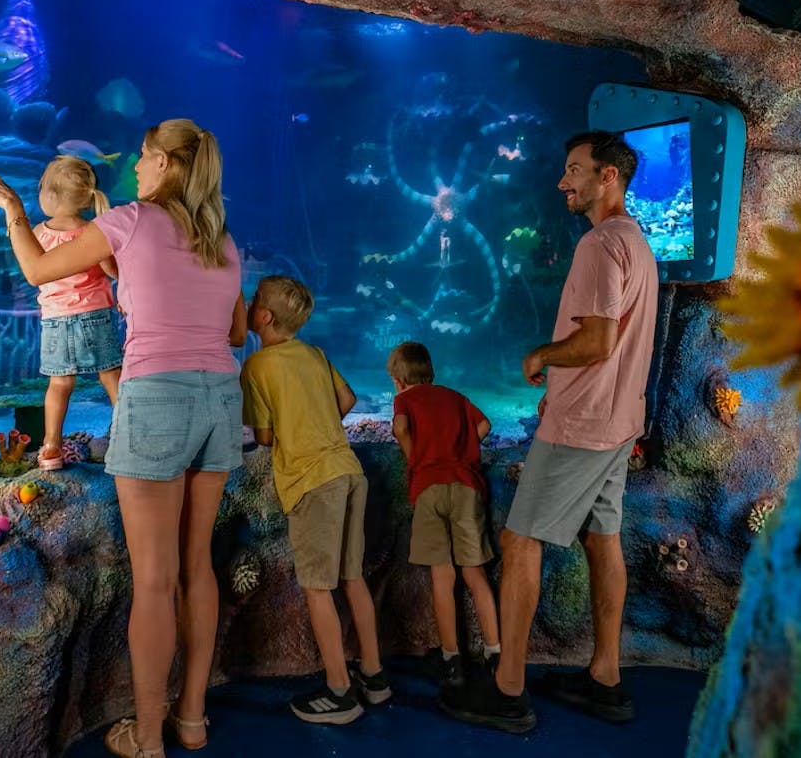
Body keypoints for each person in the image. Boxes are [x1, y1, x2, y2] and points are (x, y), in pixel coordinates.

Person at [0, 119, 248, 758]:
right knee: (196, 567)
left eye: (146, 160)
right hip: (218, 397)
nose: (138, 172)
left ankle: (147, 737)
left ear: (164, 164)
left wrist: (15, 208)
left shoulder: (130, 220)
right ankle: (193, 721)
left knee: (154, 579)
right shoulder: (221, 238)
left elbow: (41, 270)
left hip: (156, 397)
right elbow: (235, 333)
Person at [440, 130, 659, 734]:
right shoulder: (638, 243)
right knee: (602, 538)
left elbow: (596, 341)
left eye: (574, 170)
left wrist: (543, 355)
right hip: (619, 421)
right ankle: (605, 678)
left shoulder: (598, 245)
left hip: (582, 425)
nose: (563, 182)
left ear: (607, 176)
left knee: (519, 541)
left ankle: (508, 689)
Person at [240, 275, 390, 724]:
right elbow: (348, 398)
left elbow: (265, 436)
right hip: (347, 470)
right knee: (353, 578)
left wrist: (290, 428)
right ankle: (375, 678)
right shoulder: (315, 353)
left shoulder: (257, 366)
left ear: (263, 317)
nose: (247, 305)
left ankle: (340, 692)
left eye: (253, 301)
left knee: (318, 588)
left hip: (310, 481)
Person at [387, 341, 501, 688]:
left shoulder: (404, 399)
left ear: (399, 379)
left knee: (442, 575)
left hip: (428, 486)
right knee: (474, 572)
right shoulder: (454, 396)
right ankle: (496, 653)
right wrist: (464, 451)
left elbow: (400, 429)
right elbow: (485, 425)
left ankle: (452, 660)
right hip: (466, 486)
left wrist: (414, 457)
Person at [30, 155, 122, 470]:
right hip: (94, 314)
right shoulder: (94, 231)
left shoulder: (37, 234)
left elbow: (31, 267)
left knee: (59, 384)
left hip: (55, 319)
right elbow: (113, 271)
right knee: (111, 375)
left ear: (50, 195)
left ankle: (52, 446)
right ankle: (129, 434)